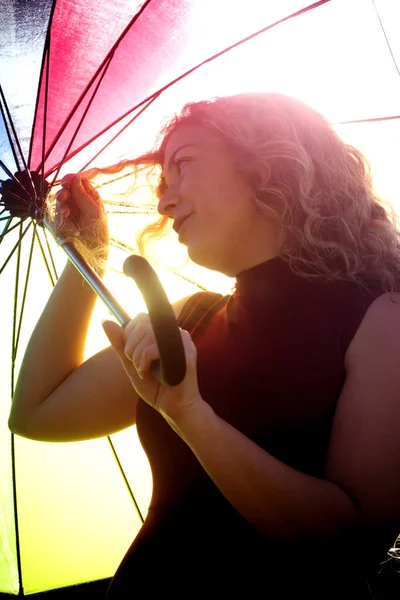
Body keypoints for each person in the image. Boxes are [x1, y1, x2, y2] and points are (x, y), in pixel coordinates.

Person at [9, 93, 400, 598]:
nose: (165, 201)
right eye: (163, 184)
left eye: (184, 165)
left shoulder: (380, 314)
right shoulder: (186, 320)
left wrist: (192, 415)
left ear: (268, 166)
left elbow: (349, 547)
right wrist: (88, 258)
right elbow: (38, 413)